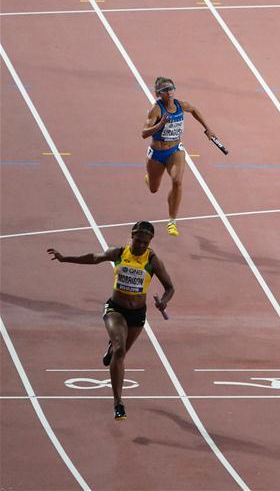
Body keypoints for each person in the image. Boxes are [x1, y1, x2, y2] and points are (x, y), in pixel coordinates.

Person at [47, 221, 174, 420]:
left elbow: (170, 288)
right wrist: (65, 258)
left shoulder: (153, 260)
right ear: (132, 236)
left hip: (137, 314)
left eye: (145, 243)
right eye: (138, 241)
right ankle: (118, 403)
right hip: (116, 309)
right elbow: (94, 258)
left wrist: (164, 302)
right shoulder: (119, 253)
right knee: (120, 350)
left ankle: (111, 348)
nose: (141, 245)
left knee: (119, 353)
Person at [142, 76, 217, 237]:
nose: (169, 92)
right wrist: (160, 124)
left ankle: (172, 221)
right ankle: (149, 179)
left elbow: (194, 110)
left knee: (177, 181)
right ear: (158, 93)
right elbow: (144, 133)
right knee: (154, 189)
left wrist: (207, 128)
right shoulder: (156, 110)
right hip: (157, 153)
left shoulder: (180, 105)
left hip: (175, 150)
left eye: (171, 88)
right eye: (165, 90)